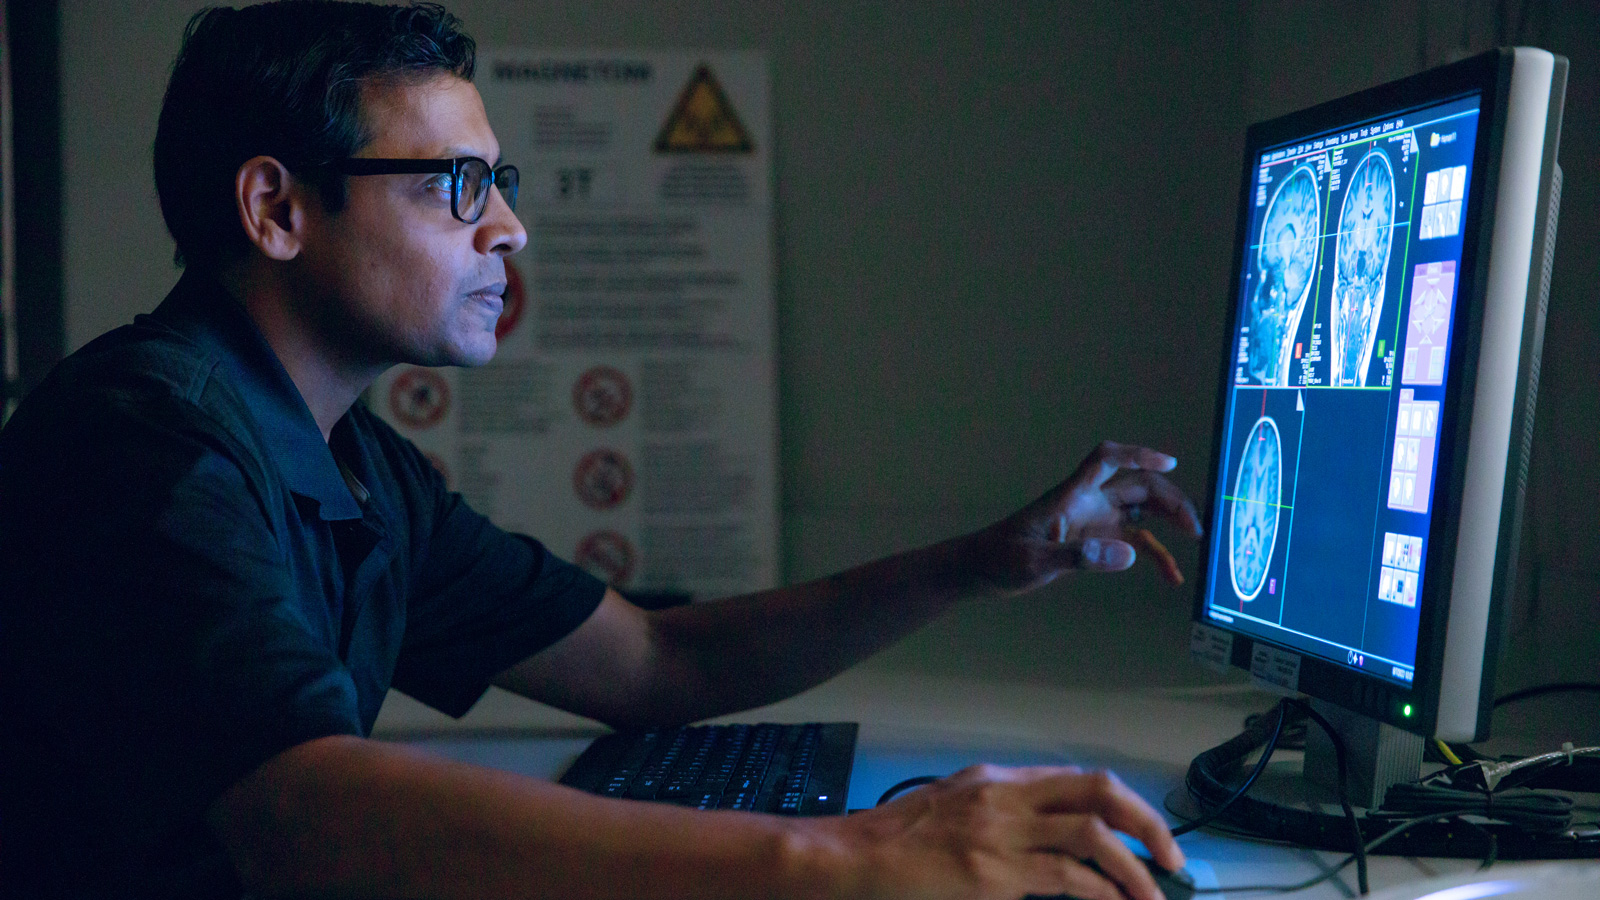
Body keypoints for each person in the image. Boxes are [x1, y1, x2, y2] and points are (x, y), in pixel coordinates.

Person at [0, 3, 1203, 898]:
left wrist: (980, 563)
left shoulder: (354, 466)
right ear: (275, 210)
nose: (509, 226)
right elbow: (305, 812)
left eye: (501, 182)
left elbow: (651, 664)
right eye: (458, 184)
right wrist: (843, 858)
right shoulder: (142, 449)